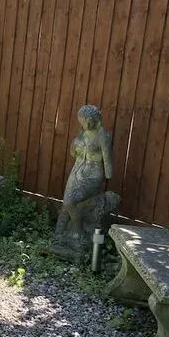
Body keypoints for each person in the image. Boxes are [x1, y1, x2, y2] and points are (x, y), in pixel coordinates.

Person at [55, 104, 114, 246]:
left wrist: (107, 176)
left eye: (83, 121)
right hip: (77, 172)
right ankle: (58, 235)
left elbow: (107, 163)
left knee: (70, 201)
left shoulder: (103, 137)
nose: (81, 124)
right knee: (65, 204)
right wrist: (74, 144)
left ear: (90, 120)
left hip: (93, 175)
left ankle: (78, 231)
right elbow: (73, 154)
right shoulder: (81, 134)